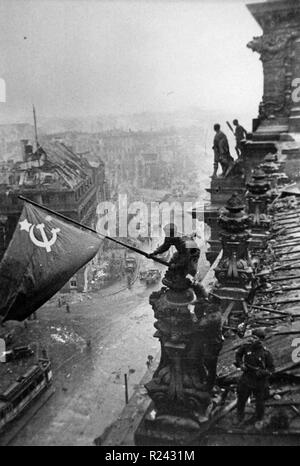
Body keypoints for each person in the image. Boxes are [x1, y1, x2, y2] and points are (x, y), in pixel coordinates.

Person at [235, 328, 275, 424]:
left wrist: (262, 373)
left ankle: (258, 418)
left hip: (260, 381)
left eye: (255, 338)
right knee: (241, 398)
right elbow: (238, 355)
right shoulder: (246, 346)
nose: (252, 339)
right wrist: (241, 364)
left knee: (260, 402)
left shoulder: (266, 353)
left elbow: (271, 369)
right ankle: (239, 416)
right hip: (247, 377)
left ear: (261, 340)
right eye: (252, 337)